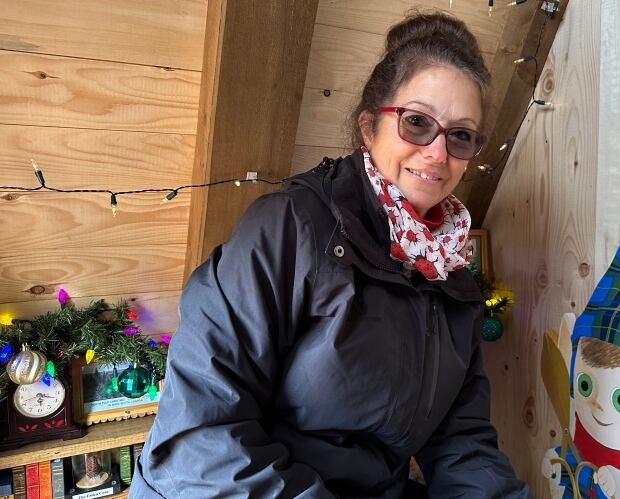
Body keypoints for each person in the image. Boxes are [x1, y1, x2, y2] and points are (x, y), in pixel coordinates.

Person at [130, 11, 532, 499]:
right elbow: (197, 443)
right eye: (417, 123)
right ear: (369, 126)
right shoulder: (287, 229)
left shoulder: (452, 277)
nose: (437, 152)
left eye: (461, 135)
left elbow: (461, 445)